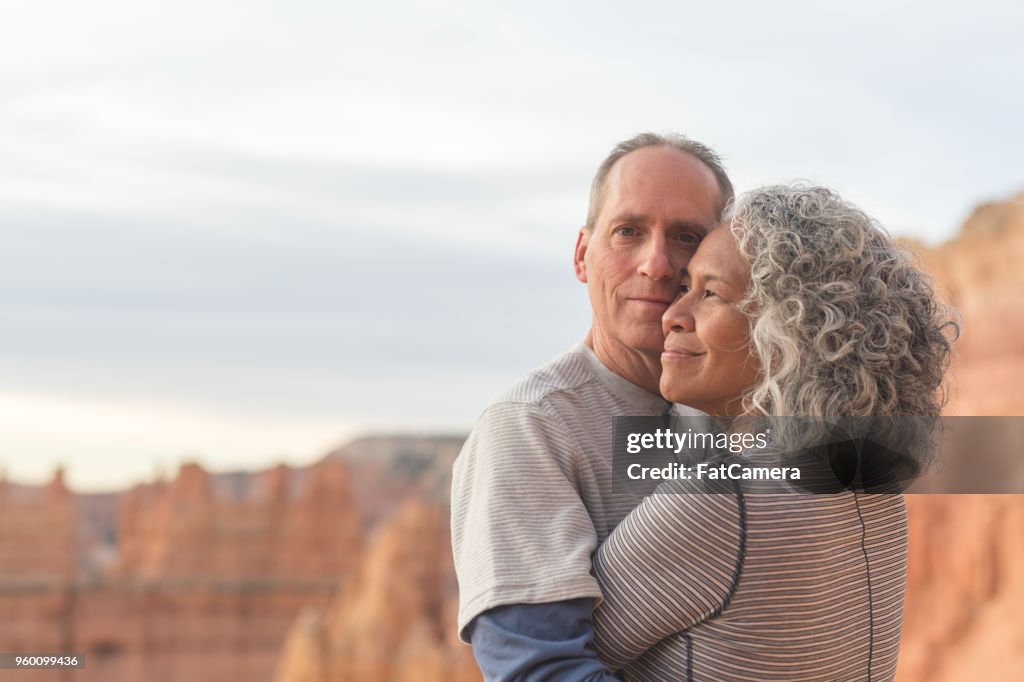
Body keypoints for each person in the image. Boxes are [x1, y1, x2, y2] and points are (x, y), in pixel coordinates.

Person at [589, 184, 956, 681]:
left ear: (790, 334)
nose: (672, 317)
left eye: (710, 293)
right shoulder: (874, 485)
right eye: (684, 289)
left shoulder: (722, 501)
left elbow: (557, 655)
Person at [450, 132, 733, 680]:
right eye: (628, 232)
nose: (656, 263)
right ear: (583, 254)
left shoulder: (744, 414)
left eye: (687, 237)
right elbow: (541, 669)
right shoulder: (531, 428)